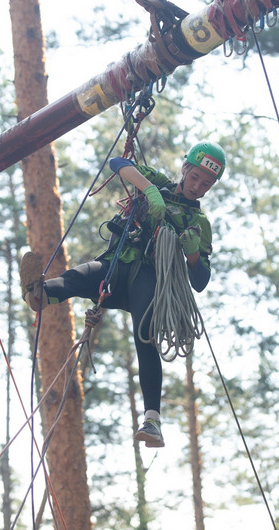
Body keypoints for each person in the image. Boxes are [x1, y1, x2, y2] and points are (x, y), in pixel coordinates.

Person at [20, 141, 225, 448]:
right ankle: (41, 294)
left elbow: (200, 281)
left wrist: (193, 253)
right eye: (195, 177)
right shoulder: (157, 182)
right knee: (79, 276)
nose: (197, 186)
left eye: (206, 184)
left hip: (150, 278)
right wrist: (150, 190)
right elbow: (118, 162)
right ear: (185, 169)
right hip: (118, 264)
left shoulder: (199, 223)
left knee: (145, 337)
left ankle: (152, 421)